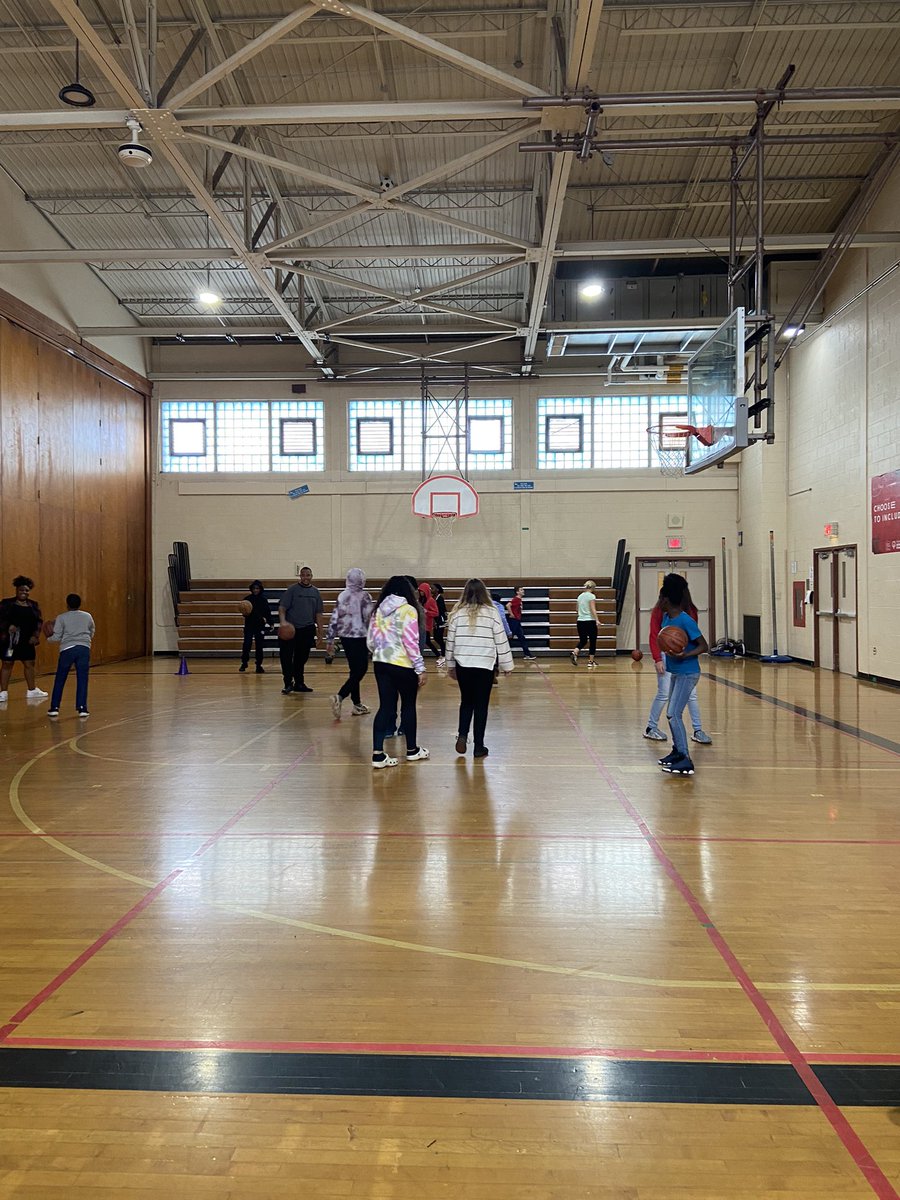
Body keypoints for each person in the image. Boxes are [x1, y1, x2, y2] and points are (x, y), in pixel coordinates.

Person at [446, 579, 513, 759]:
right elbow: (500, 639)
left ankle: (462, 735)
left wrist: (450, 665)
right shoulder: (492, 612)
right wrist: (506, 664)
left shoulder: (457, 613)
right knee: (481, 706)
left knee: (466, 702)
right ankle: (479, 746)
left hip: (463, 665)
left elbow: (450, 642)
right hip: (484, 665)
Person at [367, 576, 429, 768]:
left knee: (385, 707)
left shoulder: (378, 610)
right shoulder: (408, 610)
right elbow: (410, 642)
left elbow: (370, 640)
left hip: (381, 663)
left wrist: (380, 652)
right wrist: (420, 667)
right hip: (403, 664)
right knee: (408, 706)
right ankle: (412, 750)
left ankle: (378, 755)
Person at [643, 578, 712, 745]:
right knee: (664, 694)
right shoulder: (662, 613)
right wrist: (658, 658)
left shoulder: (689, 612)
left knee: (690, 697)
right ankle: (651, 727)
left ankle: (697, 730)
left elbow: (697, 641)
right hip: (667, 655)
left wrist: (686, 653)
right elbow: (654, 635)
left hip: (685, 660)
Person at [657, 574, 709, 776]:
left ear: (666, 599)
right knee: (671, 714)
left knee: (673, 714)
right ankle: (677, 751)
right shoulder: (666, 618)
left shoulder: (686, 620)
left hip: (688, 672)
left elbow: (704, 646)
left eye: (660, 599)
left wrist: (685, 654)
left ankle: (685, 759)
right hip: (677, 672)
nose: (658, 603)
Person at [327, 568, 374, 719]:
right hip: (360, 636)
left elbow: (335, 617)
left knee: (354, 671)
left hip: (345, 637)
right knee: (361, 670)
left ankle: (357, 704)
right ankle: (340, 696)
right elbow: (369, 617)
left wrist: (330, 639)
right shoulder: (365, 596)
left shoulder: (342, 595)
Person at [0, 576, 48, 702]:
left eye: (26, 590)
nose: (24, 592)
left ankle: (32, 690)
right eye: (21, 590)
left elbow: (38, 622)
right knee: (7, 663)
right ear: (16, 590)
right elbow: (0, 619)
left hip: (27, 641)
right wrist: (7, 626)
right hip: (10, 641)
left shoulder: (33, 605)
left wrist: (35, 636)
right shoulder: (6, 603)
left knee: (29, 664)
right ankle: (3, 692)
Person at [47, 594, 95, 717]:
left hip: (67, 649)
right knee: (82, 678)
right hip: (84, 649)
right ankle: (82, 708)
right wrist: (85, 640)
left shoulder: (61, 617)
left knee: (60, 678)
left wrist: (48, 638)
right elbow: (91, 631)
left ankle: (54, 707)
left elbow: (57, 636)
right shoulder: (87, 616)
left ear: (67, 604)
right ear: (80, 604)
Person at [278, 566, 324, 694]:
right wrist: (283, 622)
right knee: (286, 657)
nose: (305, 577)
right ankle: (288, 683)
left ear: (311, 576)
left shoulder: (315, 592)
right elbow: (282, 608)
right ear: (300, 576)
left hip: (307, 629)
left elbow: (319, 613)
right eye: (303, 575)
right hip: (291, 630)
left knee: (301, 658)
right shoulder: (292, 590)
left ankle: (299, 683)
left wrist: (320, 632)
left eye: (308, 575)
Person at [239, 580, 274, 673]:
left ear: (260, 589)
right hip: (249, 626)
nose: (255, 590)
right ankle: (244, 663)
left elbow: (267, 612)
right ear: (251, 589)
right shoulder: (247, 600)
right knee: (247, 645)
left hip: (260, 626)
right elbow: (244, 613)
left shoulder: (263, 600)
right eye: (254, 588)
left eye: (257, 588)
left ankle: (259, 665)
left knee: (259, 646)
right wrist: (245, 613)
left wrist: (271, 623)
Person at [571, 580, 599, 669]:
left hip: (580, 621)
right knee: (592, 641)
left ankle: (575, 652)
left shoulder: (580, 596)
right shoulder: (591, 596)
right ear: (592, 588)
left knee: (583, 640)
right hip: (590, 621)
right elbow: (593, 609)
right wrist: (597, 620)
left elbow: (576, 610)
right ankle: (590, 662)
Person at [505, 585, 535, 660]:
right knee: (510, 637)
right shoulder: (516, 599)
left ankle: (527, 654)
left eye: (523, 590)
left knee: (522, 638)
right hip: (514, 621)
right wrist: (511, 614)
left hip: (517, 621)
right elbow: (508, 605)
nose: (523, 591)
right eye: (521, 590)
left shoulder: (519, 600)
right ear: (517, 592)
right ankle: (502, 654)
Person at [490, 592, 512, 687]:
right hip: (497, 633)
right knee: (496, 654)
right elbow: (503, 619)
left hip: (485, 633)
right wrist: (508, 632)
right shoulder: (499, 606)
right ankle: (494, 674)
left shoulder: (484, 606)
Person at [420, 582, 441, 659]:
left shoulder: (431, 600)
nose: (421, 593)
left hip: (427, 624)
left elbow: (436, 613)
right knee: (425, 641)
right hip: (421, 623)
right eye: (420, 591)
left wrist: (426, 612)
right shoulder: (421, 600)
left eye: (422, 591)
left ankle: (438, 654)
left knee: (427, 641)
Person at [431, 582, 448, 665]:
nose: (431, 590)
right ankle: (444, 653)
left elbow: (442, 610)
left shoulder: (440, 598)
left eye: (432, 588)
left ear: (437, 589)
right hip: (436, 621)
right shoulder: (433, 598)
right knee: (436, 637)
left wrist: (442, 620)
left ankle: (444, 655)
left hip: (440, 621)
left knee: (439, 638)